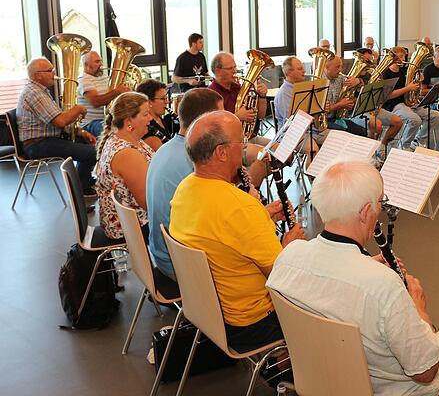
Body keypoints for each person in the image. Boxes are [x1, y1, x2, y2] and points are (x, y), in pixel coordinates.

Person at [267, 160, 439, 395]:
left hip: (323, 377)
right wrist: (420, 310)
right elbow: (426, 371)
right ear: (366, 212)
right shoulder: (383, 285)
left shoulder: (288, 255)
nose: (380, 211)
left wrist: (363, 265)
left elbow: (329, 288)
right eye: (380, 203)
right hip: (392, 389)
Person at [170, 110, 304, 353]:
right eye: (240, 141)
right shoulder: (240, 207)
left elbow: (222, 233)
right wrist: (289, 244)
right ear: (221, 152)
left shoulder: (185, 189)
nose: (244, 146)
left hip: (208, 314)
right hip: (252, 323)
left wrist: (263, 215)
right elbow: (283, 278)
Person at [146, 88, 223, 280]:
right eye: (220, 116)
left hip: (162, 254)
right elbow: (221, 221)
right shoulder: (196, 162)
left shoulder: (165, 149)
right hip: (181, 265)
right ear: (205, 121)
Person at [17, 57, 97, 195]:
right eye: (50, 70)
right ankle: (80, 190)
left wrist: (81, 132)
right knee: (92, 153)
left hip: (47, 139)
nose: (54, 73)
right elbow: (60, 121)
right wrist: (77, 109)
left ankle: (83, 183)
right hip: (37, 145)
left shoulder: (41, 91)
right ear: (38, 75)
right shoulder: (34, 93)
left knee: (90, 144)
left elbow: (57, 121)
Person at [93, 92, 153, 240]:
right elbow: (147, 203)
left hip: (130, 221)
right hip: (133, 226)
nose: (150, 118)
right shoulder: (127, 154)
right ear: (128, 122)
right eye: (146, 114)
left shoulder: (125, 139)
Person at [382, 46, 439, 150]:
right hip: (394, 105)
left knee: (434, 115)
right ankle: (404, 146)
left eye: (404, 57)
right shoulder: (386, 74)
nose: (403, 60)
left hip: (407, 103)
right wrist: (407, 88)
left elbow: (413, 88)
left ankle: (418, 141)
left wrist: (419, 81)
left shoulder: (403, 71)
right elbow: (388, 96)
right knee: (415, 120)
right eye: (400, 57)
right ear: (392, 58)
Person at [77, 51, 131, 137]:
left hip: (107, 119)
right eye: (97, 62)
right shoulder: (83, 80)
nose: (101, 65)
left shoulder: (104, 77)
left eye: (101, 61)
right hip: (91, 123)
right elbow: (96, 102)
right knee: (114, 130)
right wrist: (117, 91)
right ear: (86, 65)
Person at [208, 51, 268, 128]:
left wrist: (262, 96)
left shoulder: (237, 88)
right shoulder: (210, 94)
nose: (235, 71)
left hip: (246, 137)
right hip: (227, 139)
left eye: (235, 67)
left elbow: (260, 116)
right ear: (218, 71)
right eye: (230, 68)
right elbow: (213, 126)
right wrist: (236, 116)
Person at [135, 79, 173, 151]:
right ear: (149, 102)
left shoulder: (159, 118)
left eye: (166, 98)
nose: (167, 102)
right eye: (163, 98)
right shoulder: (147, 129)